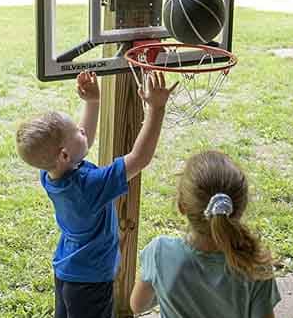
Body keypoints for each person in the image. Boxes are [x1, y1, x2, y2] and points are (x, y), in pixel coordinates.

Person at [16, 70, 176, 318]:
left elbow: (81, 146)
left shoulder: (51, 174)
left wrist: (92, 102)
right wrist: (156, 109)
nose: (83, 132)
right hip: (90, 282)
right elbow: (139, 158)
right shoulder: (90, 187)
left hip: (68, 271)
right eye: (78, 132)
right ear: (64, 156)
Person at [130, 150, 281, 318]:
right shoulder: (255, 264)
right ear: (239, 209)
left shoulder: (160, 252)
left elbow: (137, 305)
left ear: (182, 205)